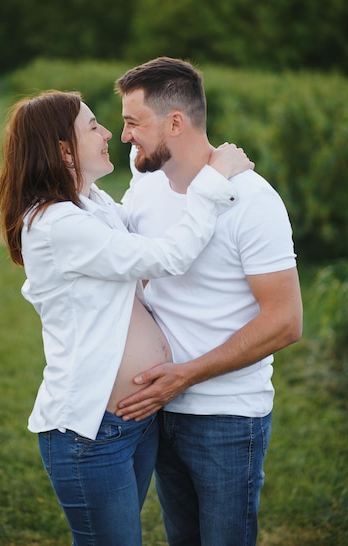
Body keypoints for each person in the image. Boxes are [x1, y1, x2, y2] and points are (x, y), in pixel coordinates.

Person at [0, 89, 253, 546]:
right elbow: (167, 256)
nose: (108, 132)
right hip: (92, 434)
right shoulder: (59, 224)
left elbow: (142, 225)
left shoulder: (91, 204)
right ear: (62, 149)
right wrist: (214, 180)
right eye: (93, 126)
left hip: (134, 422)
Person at [114, 57, 303, 546]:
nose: (124, 136)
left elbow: (285, 322)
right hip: (159, 413)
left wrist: (186, 375)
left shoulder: (253, 200)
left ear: (175, 122)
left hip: (227, 417)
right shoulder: (145, 185)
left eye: (133, 122)